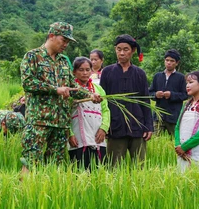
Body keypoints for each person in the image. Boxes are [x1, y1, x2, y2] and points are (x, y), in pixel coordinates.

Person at [19, 22, 101, 173]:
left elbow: (72, 87)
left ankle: (49, 193)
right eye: (63, 40)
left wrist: (90, 95)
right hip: (39, 121)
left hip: (61, 123)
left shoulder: (64, 61)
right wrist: (55, 89)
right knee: (31, 161)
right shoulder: (33, 56)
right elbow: (28, 83)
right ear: (51, 36)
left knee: (54, 164)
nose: (65, 45)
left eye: (68, 42)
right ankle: (25, 193)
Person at [100, 34, 153, 167]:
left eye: (126, 49)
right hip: (115, 126)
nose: (122, 53)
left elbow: (145, 100)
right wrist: (104, 126)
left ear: (133, 51)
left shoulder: (139, 73)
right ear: (115, 49)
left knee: (139, 166)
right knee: (114, 167)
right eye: (119, 49)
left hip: (137, 125)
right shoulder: (107, 72)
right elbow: (103, 102)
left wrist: (148, 127)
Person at [68, 57, 110, 170]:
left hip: (97, 135)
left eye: (87, 69)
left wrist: (104, 128)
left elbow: (105, 110)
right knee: (80, 170)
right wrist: (69, 133)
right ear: (74, 72)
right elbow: (63, 113)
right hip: (77, 137)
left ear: (92, 71)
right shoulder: (70, 90)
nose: (85, 73)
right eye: (81, 70)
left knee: (99, 169)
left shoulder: (98, 89)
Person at [149, 49, 188, 136]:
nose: (169, 63)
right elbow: (149, 93)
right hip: (158, 115)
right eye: (167, 60)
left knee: (174, 140)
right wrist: (156, 95)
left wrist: (171, 95)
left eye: (172, 61)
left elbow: (185, 95)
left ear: (177, 63)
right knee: (156, 139)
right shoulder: (157, 76)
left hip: (173, 116)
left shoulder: (181, 77)